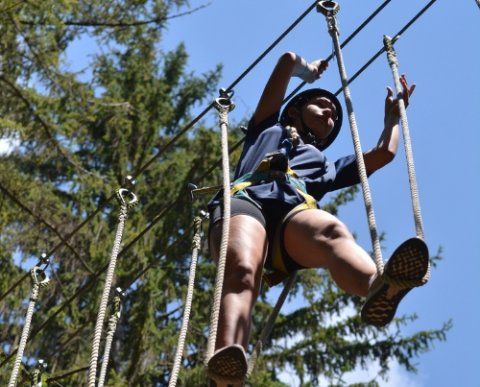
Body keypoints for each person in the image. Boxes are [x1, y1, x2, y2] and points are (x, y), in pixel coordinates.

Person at [206, 52, 429, 386]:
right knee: (242, 269)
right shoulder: (266, 127)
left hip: (292, 216)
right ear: (295, 109)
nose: (330, 111)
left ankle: (380, 287)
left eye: (334, 112)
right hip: (248, 200)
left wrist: (392, 121)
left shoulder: (325, 166)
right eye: (323, 105)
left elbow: (383, 154)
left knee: (331, 231)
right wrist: (307, 72)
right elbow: (285, 62)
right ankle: (227, 367)